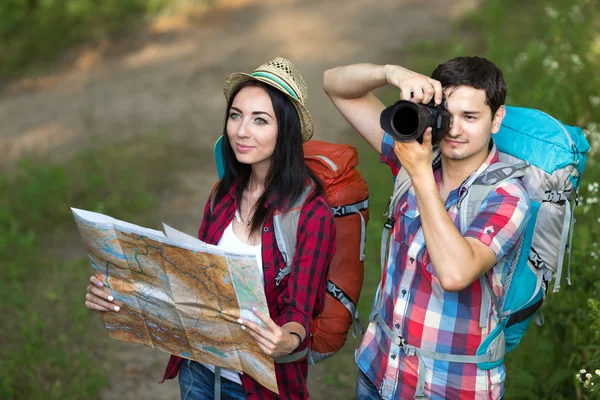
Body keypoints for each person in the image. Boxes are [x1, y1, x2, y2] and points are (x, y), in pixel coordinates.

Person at [84, 57, 336, 399]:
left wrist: (286, 339)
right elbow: (193, 287)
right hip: (198, 373)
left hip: (258, 389)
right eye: (236, 115)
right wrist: (118, 295)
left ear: (286, 131)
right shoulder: (224, 193)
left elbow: (299, 313)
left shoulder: (311, 213)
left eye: (260, 120)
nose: (241, 130)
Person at [323, 57, 531, 399]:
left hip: (447, 389)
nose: (454, 129)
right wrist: (390, 73)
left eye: (470, 117)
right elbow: (335, 85)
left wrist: (420, 173)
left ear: (497, 119)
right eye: (447, 115)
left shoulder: (507, 198)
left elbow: (454, 273)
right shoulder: (418, 159)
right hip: (378, 372)